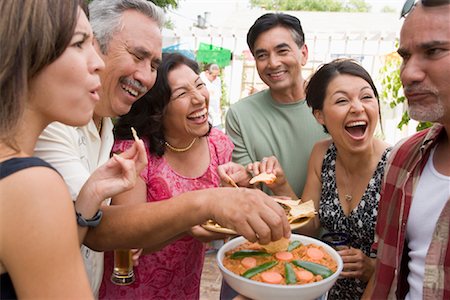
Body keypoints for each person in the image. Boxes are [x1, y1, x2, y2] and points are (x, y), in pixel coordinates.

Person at [34, 0, 291, 296]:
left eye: (153, 64)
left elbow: (90, 218)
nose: (145, 76)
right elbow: (99, 230)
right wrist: (208, 203)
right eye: (138, 56)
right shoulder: (58, 127)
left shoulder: (103, 124)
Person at [0, 0, 146, 298]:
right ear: (27, 53)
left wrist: (90, 195)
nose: (99, 62)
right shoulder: (29, 183)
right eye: (80, 44)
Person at [100, 52, 232, 299]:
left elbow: (223, 213)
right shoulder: (134, 153)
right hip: (134, 290)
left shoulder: (218, 144)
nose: (198, 98)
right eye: (182, 93)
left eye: (199, 85)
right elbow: (129, 242)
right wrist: (189, 224)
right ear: (158, 108)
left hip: (186, 287)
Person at [365, 1, 450, 299]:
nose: (408, 74)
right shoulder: (404, 157)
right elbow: (383, 276)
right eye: (405, 56)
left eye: (434, 51)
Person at [300, 59, 391, 299]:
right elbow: (309, 225)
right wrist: (277, 186)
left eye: (366, 97)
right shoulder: (321, 154)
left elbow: (414, 253)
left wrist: (373, 268)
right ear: (320, 116)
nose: (358, 108)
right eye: (342, 100)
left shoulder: (396, 164)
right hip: (328, 290)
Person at [225, 13, 328, 198]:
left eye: (282, 51)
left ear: (303, 54)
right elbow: (249, 187)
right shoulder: (239, 115)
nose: (273, 63)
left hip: (331, 225)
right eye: (262, 55)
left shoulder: (330, 106)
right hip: (268, 222)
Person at [200, 63, 223, 129]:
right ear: (207, 73)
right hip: (205, 115)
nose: (215, 77)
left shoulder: (217, 80)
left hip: (216, 115)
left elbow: (219, 96)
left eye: (217, 75)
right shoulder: (201, 80)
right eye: (214, 76)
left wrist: (220, 108)